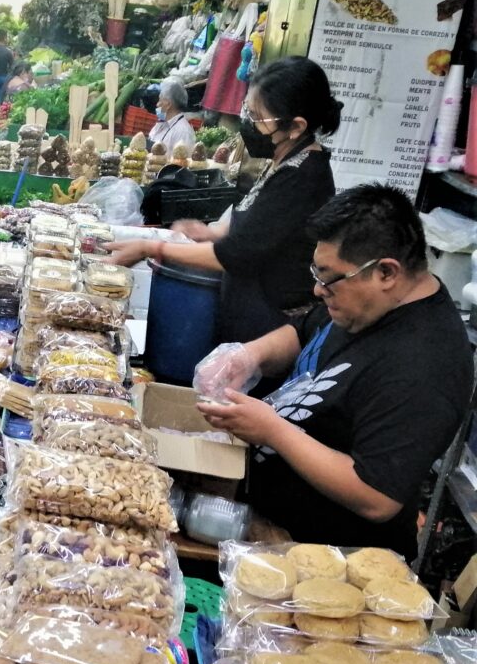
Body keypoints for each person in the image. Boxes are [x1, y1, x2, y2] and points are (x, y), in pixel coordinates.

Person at [195, 185, 473, 560]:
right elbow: (305, 329)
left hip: (319, 558)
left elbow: (376, 496)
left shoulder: (426, 365)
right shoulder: (362, 300)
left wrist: (273, 430)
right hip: (259, 521)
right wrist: (250, 355)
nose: (317, 288)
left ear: (386, 272)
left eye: (328, 277)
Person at [109, 56, 340, 345]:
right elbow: (260, 224)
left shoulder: (302, 179)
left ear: (295, 126)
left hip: (269, 327)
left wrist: (151, 247)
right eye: (249, 112)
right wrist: (213, 232)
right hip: (245, 309)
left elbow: (234, 254)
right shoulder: (286, 158)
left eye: (258, 118)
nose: (249, 125)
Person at [148, 78, 196, 158]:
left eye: (160, 100)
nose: (157, 104)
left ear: (168, 104)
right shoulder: (161, 124)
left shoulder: (183, 131)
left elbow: (182, 163)